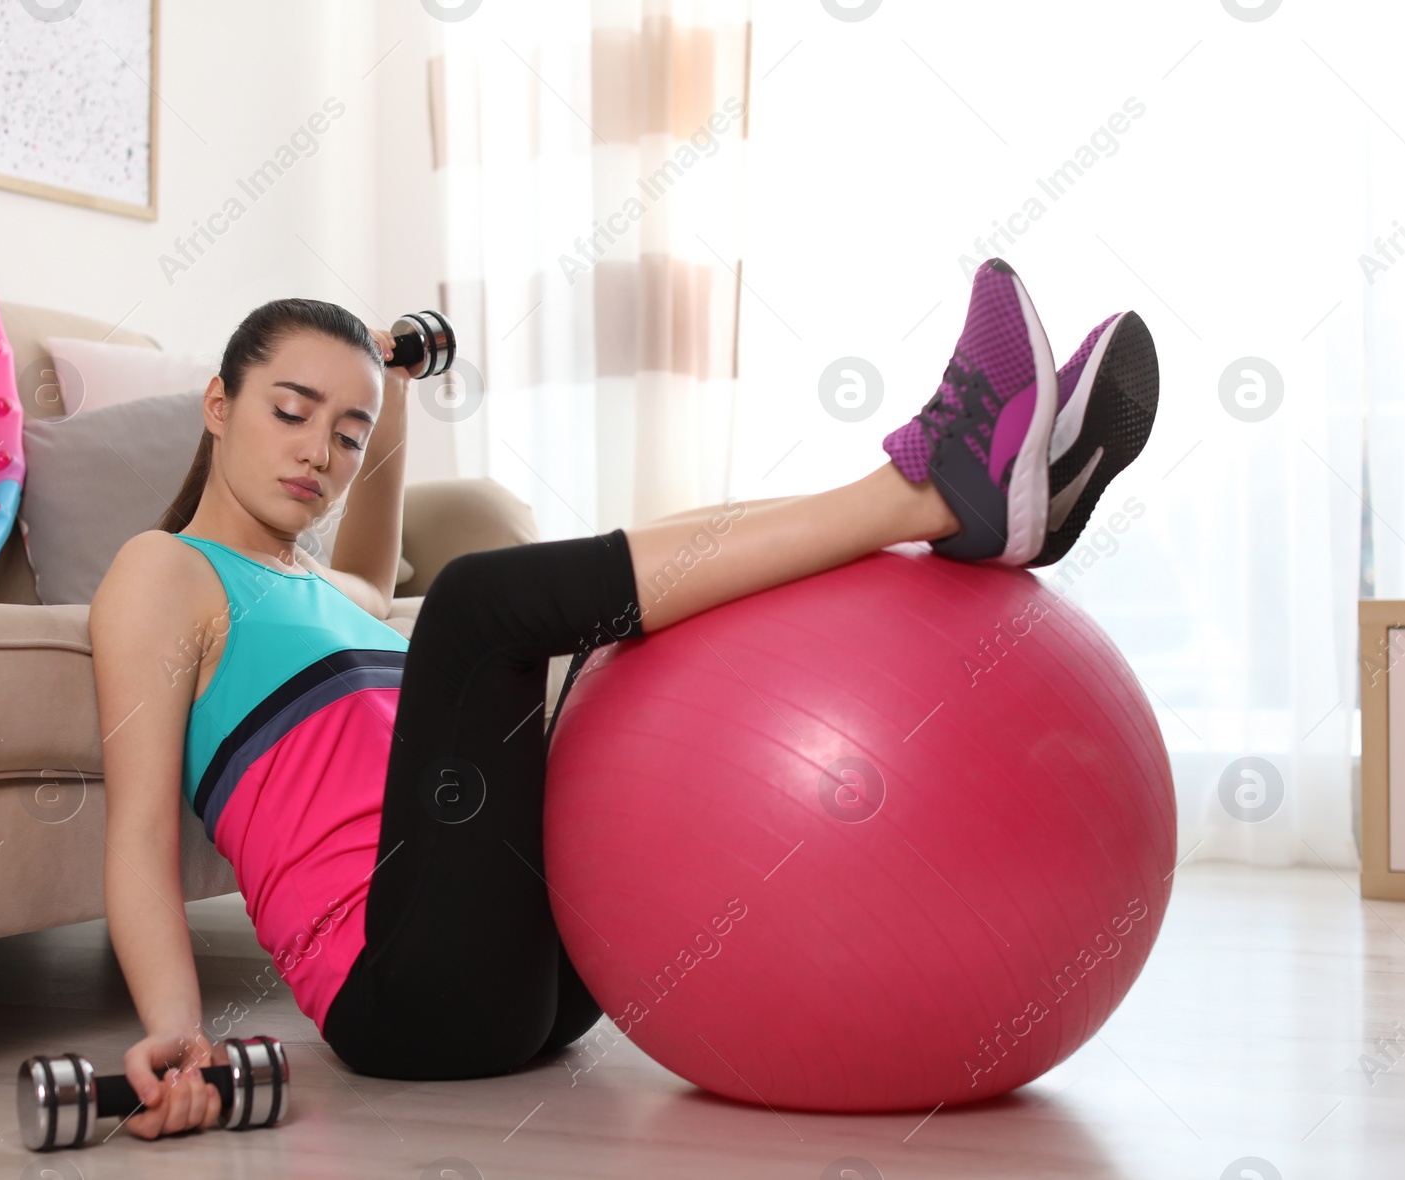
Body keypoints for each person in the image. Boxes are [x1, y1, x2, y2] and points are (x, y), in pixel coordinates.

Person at [88, 258, 1158, 1141]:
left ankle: (960, 498)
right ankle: (932, 486)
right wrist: (182, 1033)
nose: (320, 451)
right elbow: (139, 834)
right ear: (219, 405)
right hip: (408, 993)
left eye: (348, 433)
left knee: (650, 592)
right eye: (291, 411)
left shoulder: (341, 596)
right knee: (475, 600)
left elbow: (374, 549)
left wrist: (395, 383)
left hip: (555, 966)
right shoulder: (163, 572)